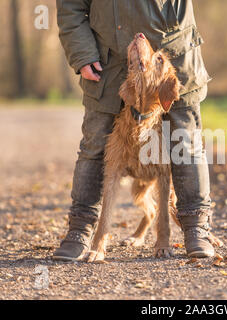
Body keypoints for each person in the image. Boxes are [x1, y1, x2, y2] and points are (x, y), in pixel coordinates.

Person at [53, 0, 216, 260]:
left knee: (186, 143)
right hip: (108, 62)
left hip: (173, 55)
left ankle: (197, 226)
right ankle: (80, 229)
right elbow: (71, 6)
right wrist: (82, 53)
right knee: (94, 146)